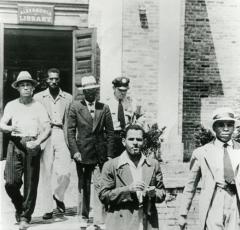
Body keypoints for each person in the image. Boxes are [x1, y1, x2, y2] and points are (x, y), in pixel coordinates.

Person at [0, 71, 51, 230]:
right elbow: (1, 125)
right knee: (10, 182)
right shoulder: (11, 105)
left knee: (31, 184)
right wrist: (10, 127)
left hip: (32, 143)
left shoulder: (38, 106)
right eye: (23, 85)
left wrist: (37, 142)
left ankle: (25, 216)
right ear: (18, 88)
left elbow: (47, 127)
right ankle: (19, 205)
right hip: (15, 143)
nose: (26, 88)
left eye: (29, 85)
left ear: (33, 88)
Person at [178, 107, 240, 230]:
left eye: (230, 124)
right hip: (214, 200)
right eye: (221, 125)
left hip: (235, 201)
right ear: (214, 128)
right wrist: (182, 213)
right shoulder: (202, 153)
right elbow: (190, 186)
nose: (226, 129)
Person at [67, 75, 114, 227]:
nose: (90, 93)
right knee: (84, 185)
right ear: (83, 92)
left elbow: (111, 133)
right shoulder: (75, 107)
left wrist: (109, 154)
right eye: (87, 90)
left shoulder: (104, 107)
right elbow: (70, 131)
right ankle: (83, 216)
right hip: (83, 153)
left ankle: (99, 219)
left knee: (100, 185)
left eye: (93, 90)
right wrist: (75, 151)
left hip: (100, 154)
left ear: (96, 91)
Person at [99, 124, 166, 230]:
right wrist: (128, 190)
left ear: (143, 142)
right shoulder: (111, 165)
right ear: (123, 141)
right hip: (121, 222)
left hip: (147, 221)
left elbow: (162, 193)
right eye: (131, 139)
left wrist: (153, 194)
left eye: (139, 139)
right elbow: (103, 196)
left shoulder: (153, 164)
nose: (135, 143)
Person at [34, 68, 73, 219]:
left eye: (56, 78)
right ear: (46, 80)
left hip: (61, 134)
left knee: (65, 172)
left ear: (59, 80)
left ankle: (58, 196)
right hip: (46, 135)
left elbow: (71, 121)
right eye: (51, 79)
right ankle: (47, 208)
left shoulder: (68, 98)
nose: (54, 81)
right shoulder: (38, 98)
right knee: (46, 173)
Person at [105, 77, 135, 157]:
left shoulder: (130, 102)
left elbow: (133, 119)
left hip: (125, 137)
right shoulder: (106, 103)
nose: (123, 93)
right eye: (120, 90)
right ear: (114, 88)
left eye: (125, 90)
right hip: (112, 137)